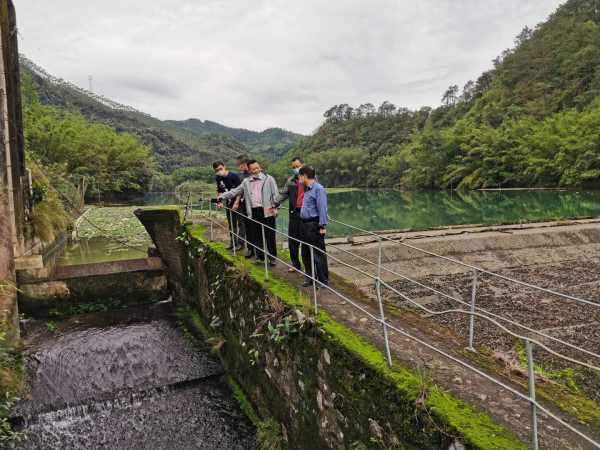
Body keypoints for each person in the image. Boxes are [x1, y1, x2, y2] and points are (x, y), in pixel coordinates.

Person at [218, 160, 280, 266]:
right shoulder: (246, 182)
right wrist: (222, 196)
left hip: (267, 211)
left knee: (270, 235)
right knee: (257, 236)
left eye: (257, 167)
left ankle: (272, 257)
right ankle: (260, 257)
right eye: (253, 169)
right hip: (253, 211)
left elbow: (276, 195)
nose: (256, 170)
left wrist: (276, 209)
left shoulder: (269, 179)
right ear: (249, 171)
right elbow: (236, 191)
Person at [266, 157, 307, 273]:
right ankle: (295, 264)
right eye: (293, 167)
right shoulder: (291, 181)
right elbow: (283, 194)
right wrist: (275, 204)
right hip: (294, 214)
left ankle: (308, 268)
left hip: (307, 215)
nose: (296, 169)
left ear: (303, 164)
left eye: (298, 166)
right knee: (293, 241)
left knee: (307, 242)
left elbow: (318, 195)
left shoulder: (311, 179)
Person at [298, 165, 329, 289]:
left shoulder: (318, 189)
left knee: (318, 253)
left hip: (314, 225)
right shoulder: (307, 189)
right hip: (304, 224)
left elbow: (322, 207)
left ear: (304, 176)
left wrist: (322, 225)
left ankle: (323, 281)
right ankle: (310, 277)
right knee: (305, 252)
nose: (299, 178)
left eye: (300, 176)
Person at [213, 160, 244, 251]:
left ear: (224, 166)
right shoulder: (218, 177)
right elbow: (220, 191)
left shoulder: (234, 175)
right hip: (229, 203)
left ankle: (241, 243)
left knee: (241, 223)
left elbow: (240, 190)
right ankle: (233, 242)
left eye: (220, 169)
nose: (219, 171)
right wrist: (220, 202)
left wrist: (236, 203)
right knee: (231, 224)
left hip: (239, 202)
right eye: (217, 170)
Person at [236, 154, 254, 258]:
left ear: (243, 164)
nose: (239, 167)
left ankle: (259, 250)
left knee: (254, 226)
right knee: (245, 224)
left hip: (254, 204)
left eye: (239, 165)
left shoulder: (256, 173)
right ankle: (247, 247)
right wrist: (237, 202)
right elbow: (240, 189)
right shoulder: (243, 175)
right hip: (244, 202)